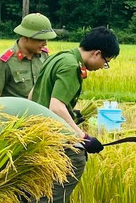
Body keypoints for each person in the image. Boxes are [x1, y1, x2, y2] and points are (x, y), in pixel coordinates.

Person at [32, 26, 121, 194]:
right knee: (76, 159)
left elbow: (34, 93)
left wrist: (72, 115)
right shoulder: (71, 66)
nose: (103, 66)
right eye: (106, 61)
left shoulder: (58, 57)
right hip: (46, 133)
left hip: (35, 128)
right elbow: (56, 106)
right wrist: (83, 137)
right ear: (96, 53)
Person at [0, 13, 59, 100]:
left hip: (40, 111)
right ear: (25, 38)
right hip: (15, 112)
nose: (45, 43)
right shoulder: (3, 63)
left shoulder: (44, 56)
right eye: (40, 40)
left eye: (46, 39)